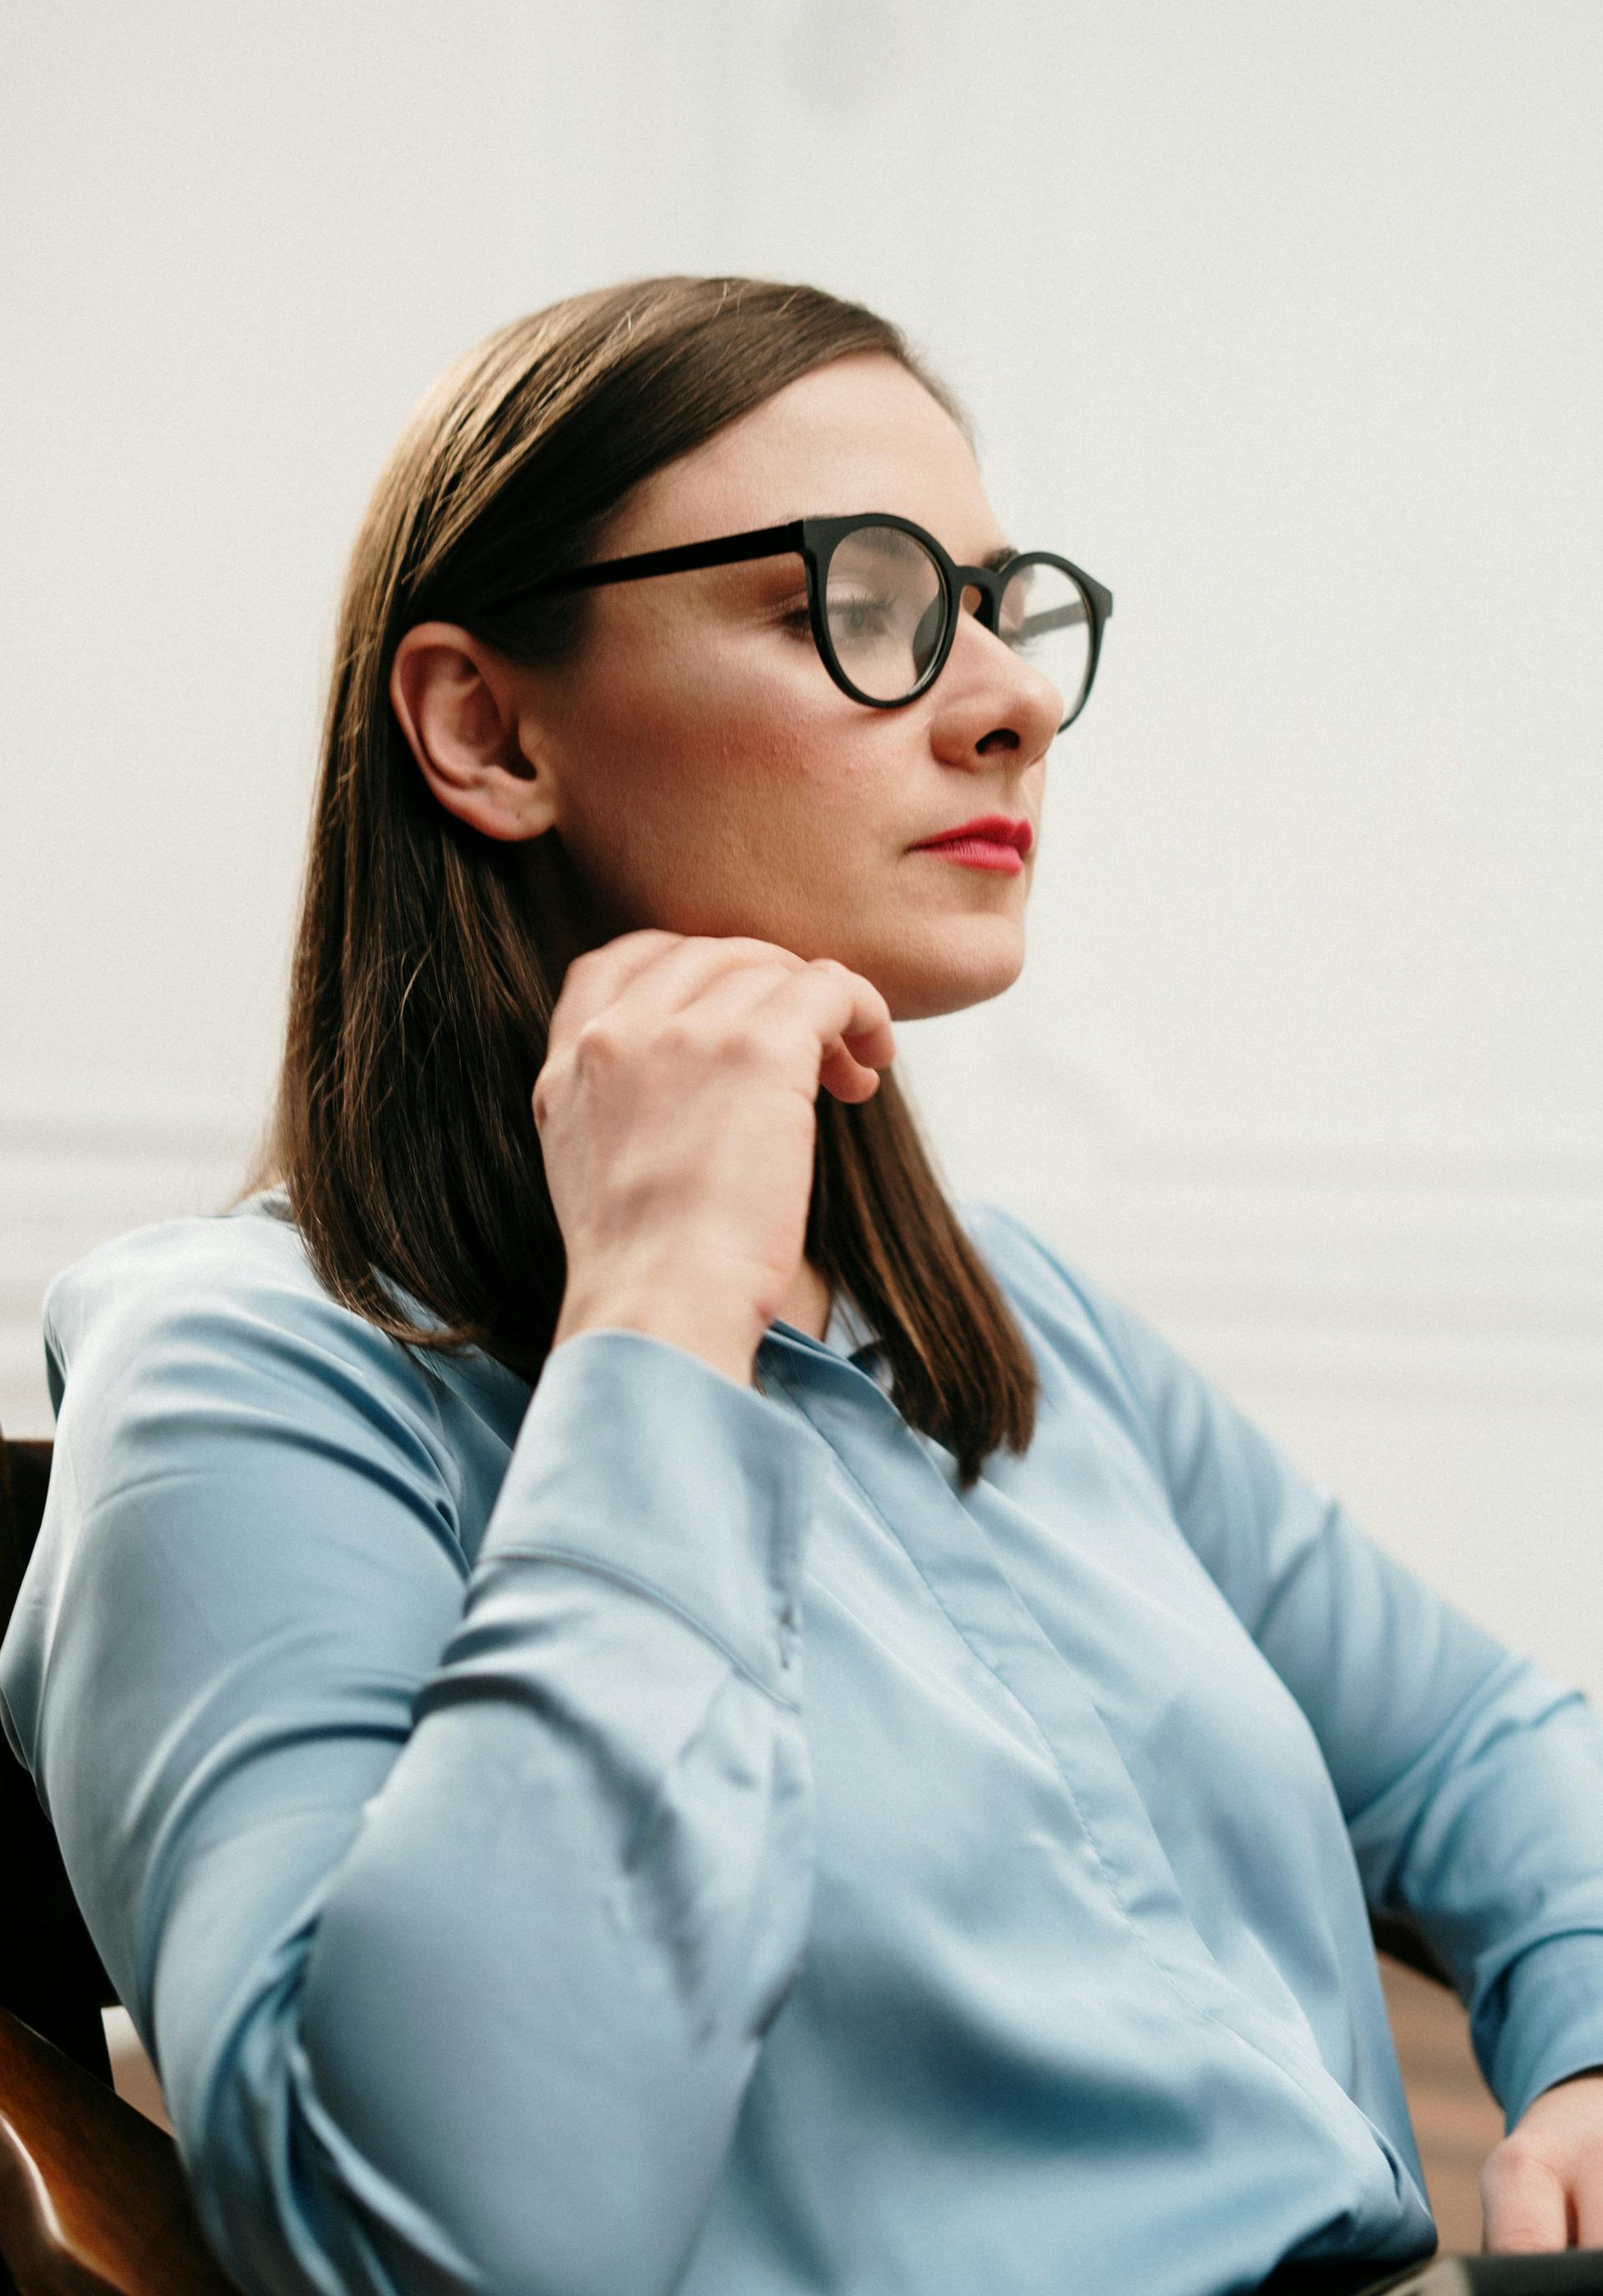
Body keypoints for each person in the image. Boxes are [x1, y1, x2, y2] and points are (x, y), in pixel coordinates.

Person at [3, 273, 1602, 2296]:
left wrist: (1590, 2041)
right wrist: (658, 1299)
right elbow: (442, 2251)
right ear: (486, 727)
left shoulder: (1005, 1318)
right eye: (852, 600)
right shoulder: (243, 1389)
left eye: (1001, 599)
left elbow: (1481, 1746)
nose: (1008, 691)